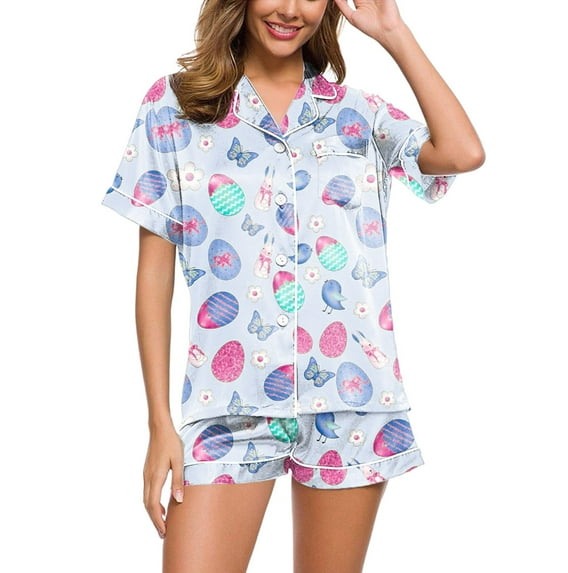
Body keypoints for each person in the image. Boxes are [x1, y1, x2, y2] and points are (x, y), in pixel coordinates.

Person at [101, 0, 485, 571]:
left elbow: (462, 152)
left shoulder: (357, 116)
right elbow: (153, 274)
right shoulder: (173, 107)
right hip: (228, 403)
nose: (289, 9)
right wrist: (159, 422)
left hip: (350, 400)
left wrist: (393, 32)